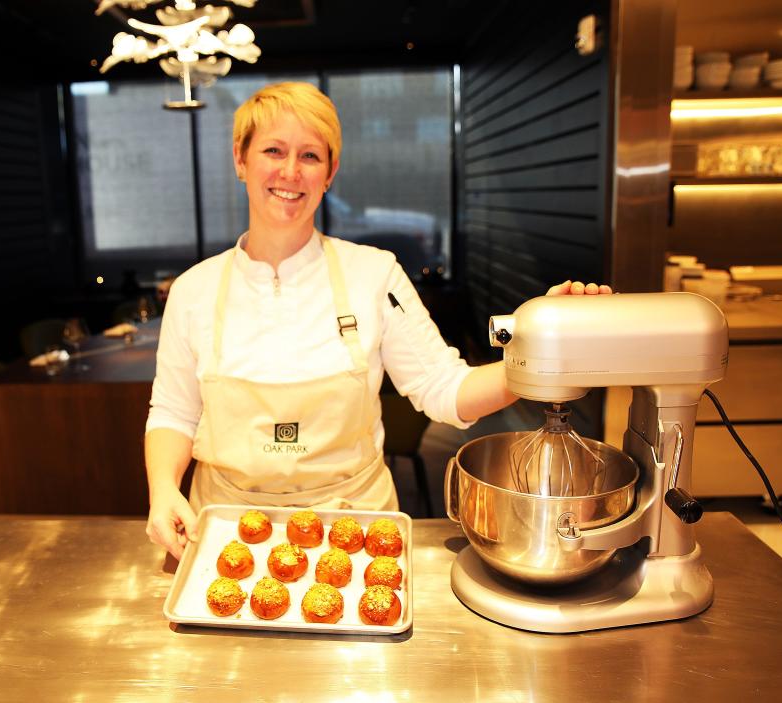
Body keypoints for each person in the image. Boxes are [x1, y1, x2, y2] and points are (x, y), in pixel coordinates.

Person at [144, 82, 612, 559]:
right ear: (240, 160)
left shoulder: (375, 274)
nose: (290, 171)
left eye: (310, 155)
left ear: (330, 173)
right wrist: (163, 490)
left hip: (355, 528)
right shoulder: (192, 291)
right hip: (226, 529)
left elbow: (444, 388)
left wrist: (542, 346)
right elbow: (173, 412)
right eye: (273, 150)